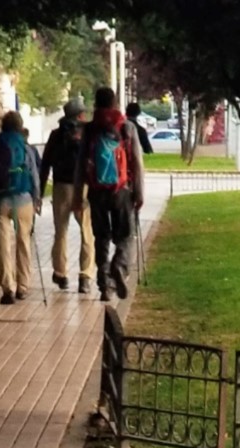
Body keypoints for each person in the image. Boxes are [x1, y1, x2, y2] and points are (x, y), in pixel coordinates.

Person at [74, 87, 144, 303]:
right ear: (115, 103)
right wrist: (139, 193)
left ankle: (105, 286)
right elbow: (137, 163)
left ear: (96, 103)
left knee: (101, 238)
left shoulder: (90, 129)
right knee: (125, 236)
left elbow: (80, 165)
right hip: (122, 191)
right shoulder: (126, 127)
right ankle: (119, 267)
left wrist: (78, 195)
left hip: (97, 192)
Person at [0, 109, 41, 305]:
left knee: (2, 245)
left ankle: (8, 288)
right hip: (23, 199)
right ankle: (23, 287)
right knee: (24, 242)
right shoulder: (25, 147)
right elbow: (34, 174)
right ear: (20, 126)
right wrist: (37, 198)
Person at [40, 97, 95, 295]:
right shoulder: (88, 133)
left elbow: (45, 164)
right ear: (81, 115)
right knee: (87, 232)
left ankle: (61, 273)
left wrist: (39, 192)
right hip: (84, 188)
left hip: (61, 187)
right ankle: (85, 276)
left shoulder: (56, 135)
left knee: (60, 232)